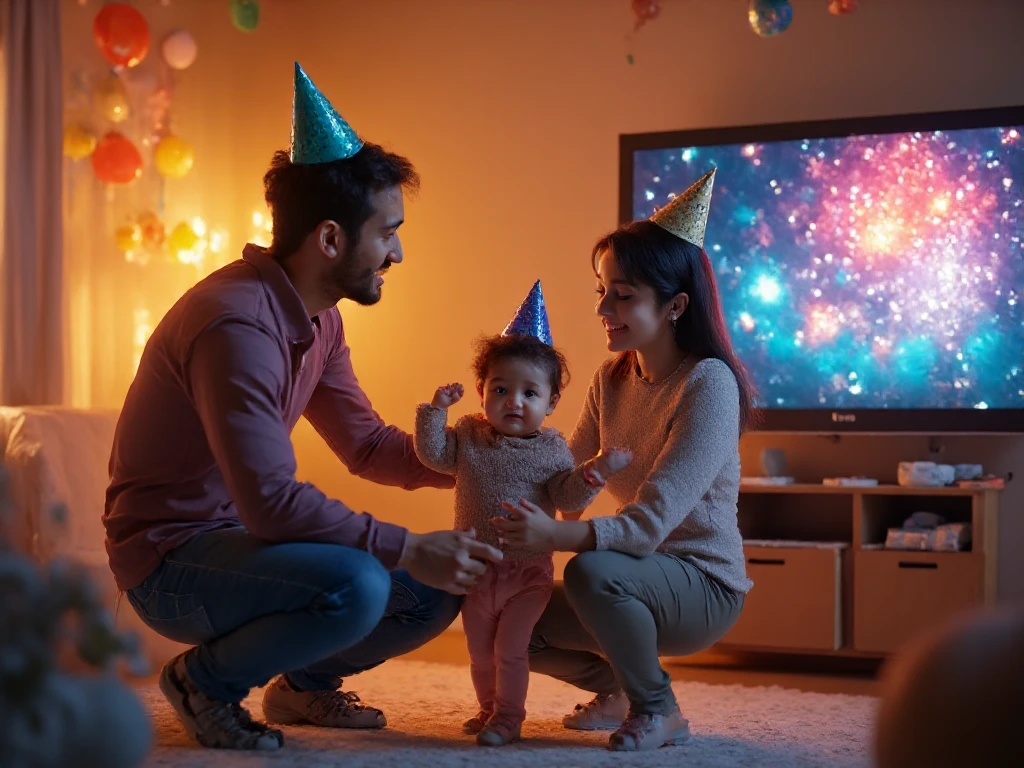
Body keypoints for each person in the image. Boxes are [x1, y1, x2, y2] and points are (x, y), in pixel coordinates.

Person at [103, 62, 502, 752]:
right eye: (387, 233)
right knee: (360, 583)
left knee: (437, 588)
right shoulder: (236, 326)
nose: (397, 251)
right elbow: (270, 504)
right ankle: (204, 682)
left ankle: (304, 685)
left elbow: (369, 447)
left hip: (237, 543)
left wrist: (490, 464)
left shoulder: (319, 319)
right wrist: (407, 544)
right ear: (329, 240)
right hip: (170, 563)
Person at [493, 168, 758, 752]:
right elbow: (566, 481)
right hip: (635, 575)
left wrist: (554, 540)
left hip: (702, 584)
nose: (603, 309)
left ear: (675, 306)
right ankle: (619, 687)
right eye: (602, 292)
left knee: (592, 571)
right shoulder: (610, 379)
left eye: (623, 295)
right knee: (509, 615)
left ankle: (657, 708)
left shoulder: (709, 384)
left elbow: (648, 525)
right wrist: (494, 477)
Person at [413, 281, 631, 747]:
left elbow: (568, 498)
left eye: (530, 393)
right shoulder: (469, 437)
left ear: (551, 403)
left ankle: (510, 716)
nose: (515, 401)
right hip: (477, 570)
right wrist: (436, 410)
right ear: (482, 391)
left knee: (511, 649)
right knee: (478, 652)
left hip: (526, 573)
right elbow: (432, 454)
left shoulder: (553, 450)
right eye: (502, 389)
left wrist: (595, 472)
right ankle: (489, 708)